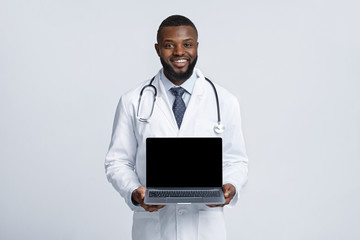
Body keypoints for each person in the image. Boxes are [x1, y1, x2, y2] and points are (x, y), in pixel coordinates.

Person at [105, 15, 248, 240]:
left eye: (187, 44)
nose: (179, 52)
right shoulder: (132, 101)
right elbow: (117, 161)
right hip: (153, 228)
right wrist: (134, 191)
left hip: (206, 228)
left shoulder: (224, 100)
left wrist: (231, 185)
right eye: (169, 45)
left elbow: (236, 160)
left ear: (197, 47)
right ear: (157, 49)